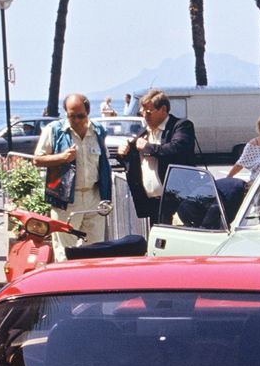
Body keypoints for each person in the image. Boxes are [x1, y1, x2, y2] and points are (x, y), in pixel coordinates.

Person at [33, 93, 114, 259]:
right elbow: (37, 159)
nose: (76, 120)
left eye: (80, 116)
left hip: (93, 196)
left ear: (88, 111)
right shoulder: (54, 131)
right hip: (65, 200)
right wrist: (61, 158)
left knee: (95, 250)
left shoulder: (98, 131)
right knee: (65, 251)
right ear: (65, 113)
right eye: (71, 116)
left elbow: (104, 162)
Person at [117, 88, 198, 225]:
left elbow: (177, 149)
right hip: (153, 204)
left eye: (148, 112)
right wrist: (123, 153)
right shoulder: (144, 132)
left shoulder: (181, 126)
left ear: (163, 110)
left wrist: (148, 147)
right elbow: (131, 161)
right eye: (142, 112)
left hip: (178, 202)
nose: (144, 116)